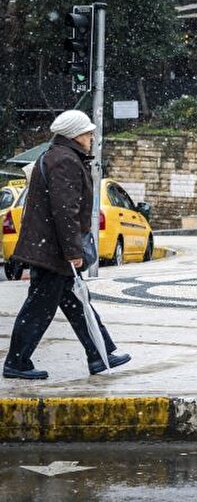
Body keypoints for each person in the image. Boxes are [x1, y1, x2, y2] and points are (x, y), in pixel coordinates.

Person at [3, 110, 131, 379]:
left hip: (50, 248)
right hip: (54, 252)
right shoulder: (64, 161)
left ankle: (100, 353)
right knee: (40, 308)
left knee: (78, 303)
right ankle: (16, 362)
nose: (91, 137)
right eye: (87, 133)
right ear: (74, 135)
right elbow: (65, 211)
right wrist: (73, 252)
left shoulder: (57, 156)